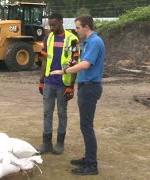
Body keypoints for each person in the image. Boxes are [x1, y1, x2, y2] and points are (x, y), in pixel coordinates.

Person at [50, 15, 105, 175]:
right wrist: (73, 63)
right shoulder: (88, 42)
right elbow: (83, 61)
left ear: (86, 27)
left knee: (87, 127)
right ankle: (88, 158)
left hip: (90, 87)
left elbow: (87, 64)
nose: (76, 30)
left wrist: (64, 70)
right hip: (85, 86)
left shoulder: (94, 42)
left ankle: (91, 165)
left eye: (78, 27)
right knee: (85, 125)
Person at [37, 12, 79, 155]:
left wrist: (71, 86)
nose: (52, 28)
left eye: (54, 25)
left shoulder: (72, 39)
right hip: (49, 82)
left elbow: (75, 63)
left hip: (63, 84)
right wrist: (41, 81)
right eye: (50, 25)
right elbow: (44, 60)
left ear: (61, 22)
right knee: (47, 113)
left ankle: (60, 143)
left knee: (62, 113)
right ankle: (46, 143)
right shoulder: (48, 38)